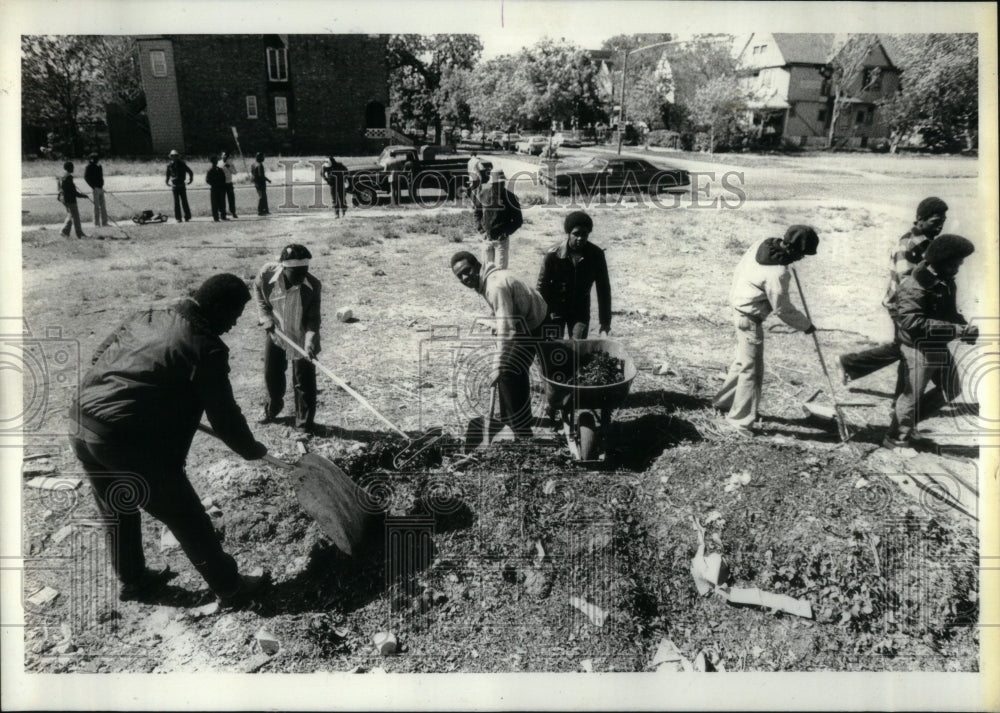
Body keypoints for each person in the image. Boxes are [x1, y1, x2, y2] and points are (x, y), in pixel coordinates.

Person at [68, 274, 270, 608]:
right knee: (186, 515)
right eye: (233, 315)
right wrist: (252, 450)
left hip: (82, 421)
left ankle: (134, 580)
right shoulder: (206, 347)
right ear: (216, 307)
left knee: (118, 505)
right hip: (124, 439)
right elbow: (225, 418)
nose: (233, 325)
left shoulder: (150, 314)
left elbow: (99, 356)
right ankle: (231, 587)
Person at [713, 225, 820, 436]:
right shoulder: (778, 273)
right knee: (752, 371)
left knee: (744, 361)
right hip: (749, 318)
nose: (802, 259)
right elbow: (783, 309)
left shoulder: (763, 244)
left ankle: (723, 403)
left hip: (738, 304)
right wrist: (806, 325)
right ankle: (740, 422)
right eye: (802, 255)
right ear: (795, 250)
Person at [839, 197, 949, 384]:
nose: (940, 227)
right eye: (935, 222)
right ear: (920, 219)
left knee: (903, 347)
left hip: (912, 305)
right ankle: (902, 400)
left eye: (942, 222)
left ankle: (850, 364)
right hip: (902, 307)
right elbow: (907, 283)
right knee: (907, 349)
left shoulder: (927, 242)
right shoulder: (908, 245)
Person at [884, 234, 977, 449]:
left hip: (936, 344)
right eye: (955, 263)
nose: (959, 267)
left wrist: (965, 327)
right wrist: (955, 329)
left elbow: (949, 312)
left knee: (951, 387)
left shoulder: (945, 280)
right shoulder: (915, 285)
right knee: (912, 396)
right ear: (942, 262)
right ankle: (895, 438)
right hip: (918, 347)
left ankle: (909, 424)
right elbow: (912, 322)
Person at [451, 251, 549, 440]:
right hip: (526, 321)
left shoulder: (494, 285)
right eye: (460, 276)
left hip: (535, 324)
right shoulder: (489, 279)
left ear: (477, 266)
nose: (465, 277)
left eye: (467, 270)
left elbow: (508, 331)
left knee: (507, 372)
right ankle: (511, 421)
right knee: (513, 371)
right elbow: (504, 316)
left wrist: (497, 365)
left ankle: (521, 433)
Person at [253, 244, 322, 434]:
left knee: (304, 382)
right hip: (276, 333)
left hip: (301, 337)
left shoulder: (313, 285)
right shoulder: (267, 275)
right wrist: (265, 316)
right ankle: (272, 409)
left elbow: (313, 318)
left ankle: (304, 424)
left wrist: (310, 338)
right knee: (272, 375)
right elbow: (257, 289)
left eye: (304, 271)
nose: (300, 278)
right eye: (295, 273)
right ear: (284, 267)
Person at [536, 210, 612, 339]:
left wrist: (605, 322)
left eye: (584, 234)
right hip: (555, 310)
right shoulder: (552, 255)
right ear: (568, 233)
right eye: (576, 234)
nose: (580, 238)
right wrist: (540, 317)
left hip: (580, 312)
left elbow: (603, 289)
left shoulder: (596, 255)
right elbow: (541, 288)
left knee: (578, 350)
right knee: (553, 349)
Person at [473, 168, 523, 269]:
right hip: (487, 239)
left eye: (502, 182)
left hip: (501, 241)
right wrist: (481, 231)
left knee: (501, 271)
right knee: (486, 269)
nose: (500, 185)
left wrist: (506, 232)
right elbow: (477, 214)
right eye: (497, 183)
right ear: (492, 183)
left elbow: (518, 220)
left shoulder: (511, 197)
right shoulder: (483, 194)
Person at [58, 161, 88, 239]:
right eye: (72, 167)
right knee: (75, 216)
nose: (73, 168)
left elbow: (61, 189)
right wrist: (82, 196)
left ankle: (66, 232)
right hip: (70, 199)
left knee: (71, 214)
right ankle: (78, 233)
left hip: (63, 198)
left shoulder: (62, 176)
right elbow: (72, 191)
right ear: (69, 168)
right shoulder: (69, 177)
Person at [165, 149, 194, 222]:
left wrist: (190, 180)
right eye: (172, 156)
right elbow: (168, 174)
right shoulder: (169, 165)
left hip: (181, 185)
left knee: (184, 201)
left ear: (178, 156)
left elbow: (190, 172)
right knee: (176, 202)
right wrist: (167, 181)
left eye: (175, 156)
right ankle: (178, 218)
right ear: (170, 157)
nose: (174, 157)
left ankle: (187, 216)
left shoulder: (182, 164)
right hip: (174, 185)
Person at [83, 153, 108, 228]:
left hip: (101, 187)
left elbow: (101, 176)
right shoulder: (89, 167)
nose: (96, 160)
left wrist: (102, 185)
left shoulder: (99, 166)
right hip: (95, 188)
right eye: (94, 158)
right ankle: (96, 223)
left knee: (103, 206)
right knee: (96, 207)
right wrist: (92, 186)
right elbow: (86, 177)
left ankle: (104, 222)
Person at [206, 156, 228, 222]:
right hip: (214, 189)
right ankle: (215, 217)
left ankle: (223, 216)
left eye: (216, 161)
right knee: (214, 204)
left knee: (222, 202)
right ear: (212, 162)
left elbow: (224, 178)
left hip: (221, 188)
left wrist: (222, 185)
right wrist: (214, 184)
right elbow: (207, 180)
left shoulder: (220, 169)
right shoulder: (210, 170)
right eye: (214, 161)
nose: (215, 162)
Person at [221, 152, 239, 218]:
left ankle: (233, 212)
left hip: (229, 183)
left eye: (226, 156)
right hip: (221, 184)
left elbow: (235, 172)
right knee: (222, 199)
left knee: (231, 198)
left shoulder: (230, 163)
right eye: (224, 156)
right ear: (222, 156)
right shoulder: (219, 163)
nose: (225, 157)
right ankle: (223, 214)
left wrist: (229, 167)